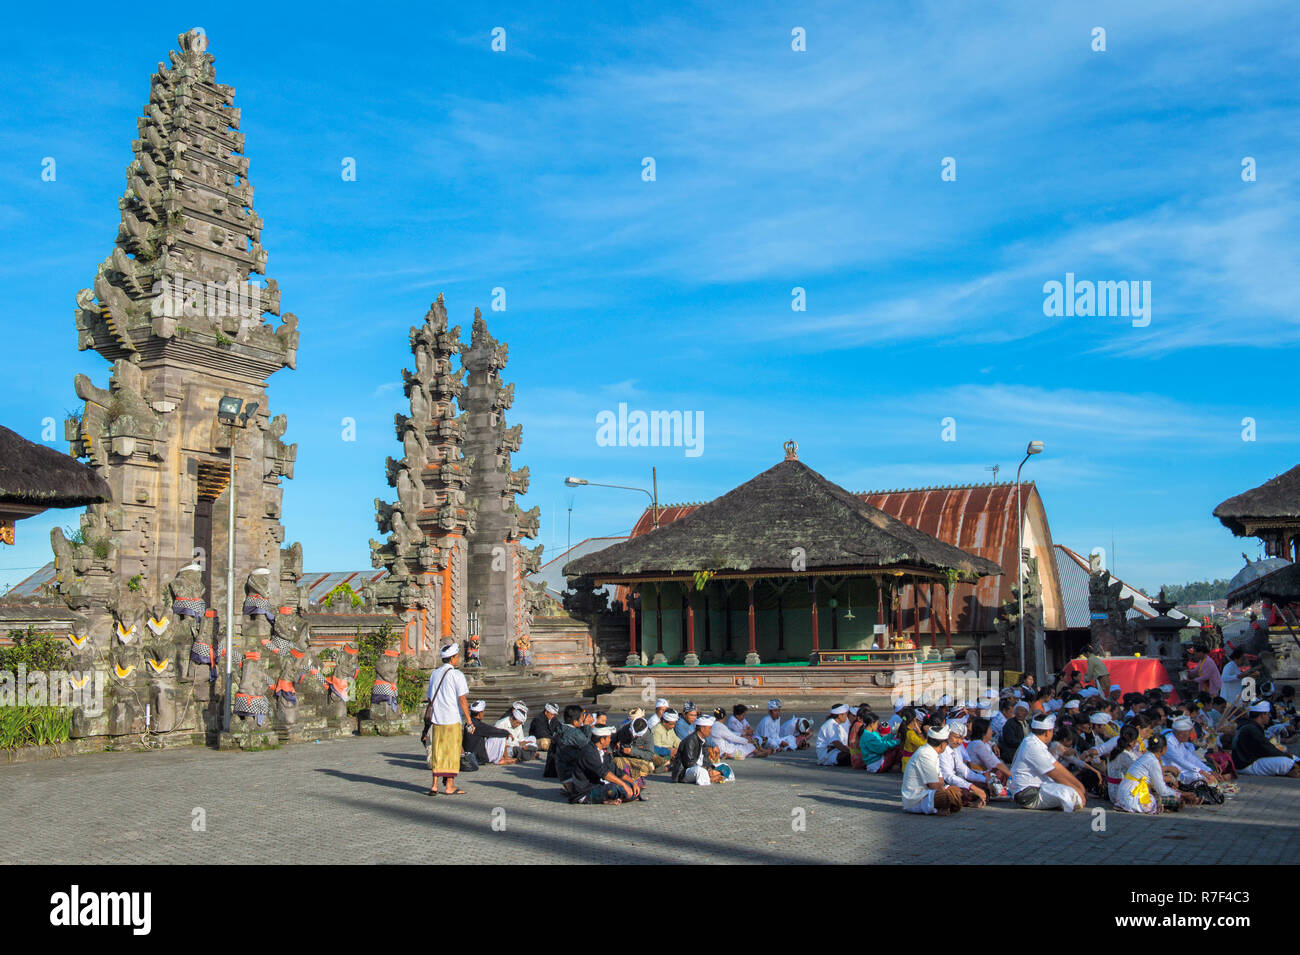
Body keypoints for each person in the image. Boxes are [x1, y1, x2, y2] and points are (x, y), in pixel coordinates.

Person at [1008, 713, 1087, 812]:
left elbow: (1057, 766)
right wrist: (1077, 790)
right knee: (1072, 795)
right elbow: (1055, 775)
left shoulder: (1035, 741)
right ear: (1047, 732)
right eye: (1052, 731)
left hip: (1038, 787)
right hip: (1028, 794)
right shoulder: (1032, 745)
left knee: (1073, 791)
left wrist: (1078, 785)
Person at [425, 642, 472, 796]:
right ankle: (449, 785)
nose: (458, 659)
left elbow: (430, 697)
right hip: (452, 718)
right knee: (451, 753)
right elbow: (462, 700)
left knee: (438, 752)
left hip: (437, 719)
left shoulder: (434, 674)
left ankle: (434, 785)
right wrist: (469, 720)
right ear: (452, 658)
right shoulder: (456, 675)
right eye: (457, 656)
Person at [562, 725, 644, 805]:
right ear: (602, 740)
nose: (610, 739)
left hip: (599, 784)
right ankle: (622, 798)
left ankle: (619, 798)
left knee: (631, 786)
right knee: (616, 788)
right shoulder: (588, 752)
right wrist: (623, 785)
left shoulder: (602, 752)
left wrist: (633, 782)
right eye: (608, 737)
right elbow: (603, 773)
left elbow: (616, 770)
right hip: (586, 791)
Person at [901, 724, 966, 815]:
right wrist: (948, 794)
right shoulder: (925, 754)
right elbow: (934, 785)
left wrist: (951, 791)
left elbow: (941, 781)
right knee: (946, 796)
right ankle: (943, 807)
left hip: (927, 793)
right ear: (943, 744)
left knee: (958, 791)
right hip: (916, 800)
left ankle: (946, 805)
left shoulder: (932, 752)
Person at [1115, 733, 1187, 813]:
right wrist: (1182, 794)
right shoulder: (1153, 761)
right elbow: (1162, 790)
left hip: (1123, 794)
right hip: (1131, 796)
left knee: (1171, 796)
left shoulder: (1147, 756)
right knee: (1175, 800)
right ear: (1164, 749)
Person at [1233, 701, 1300, 776]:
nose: (1269, 717)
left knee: (1292, 758)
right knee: (1287, 761)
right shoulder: (1251, 728)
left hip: (1246, 762)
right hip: (1246, 765)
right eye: (1268, 714)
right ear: (1262, 715)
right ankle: (1292, 772)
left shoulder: (1249, 726)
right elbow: (1268, 749)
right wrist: (1286, 755)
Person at [937, 722, 989, 806]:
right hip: (944, 784)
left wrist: (986, 780)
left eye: (962, 739)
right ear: (948, 734)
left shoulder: (956, 748)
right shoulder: (943, 750)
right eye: (956, 737)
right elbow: (949, 777)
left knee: (983, 785)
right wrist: (971, 787)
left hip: (956, 780)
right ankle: (971, 801)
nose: (959, 742)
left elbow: (964, 771)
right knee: (962, 793)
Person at [672, 714, 728, 785]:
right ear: (702, 729)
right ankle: (710, 779)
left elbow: (706, 760)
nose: (711, 731)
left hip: (702, 768)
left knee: (725, 766)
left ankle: (711, 776)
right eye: (709, 728)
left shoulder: (704, 740)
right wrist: (706, 769)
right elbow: (689, 763)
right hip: (684, 772)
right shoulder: (690, 740)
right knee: (700, 771)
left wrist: (710, 768)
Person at [545, 704, 594, 780]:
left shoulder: (561, 728)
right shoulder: (574, 733)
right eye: (581, 719)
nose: (582, 721)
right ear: (574, 721)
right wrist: (587, 726)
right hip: (570, 771)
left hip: (559, 769)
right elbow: (589, 746)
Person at [464, 700, 516, 765]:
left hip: (470, 754)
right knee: (502, 736)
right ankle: (500, 760)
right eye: (483, 712)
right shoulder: (479, 725)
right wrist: (507, 733)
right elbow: (493, 731)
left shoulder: (468, 723)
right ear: (480, 713)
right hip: (478, 757)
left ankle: (504, 757)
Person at [964, 717, 1011, 784]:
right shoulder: (977, 744)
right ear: (984, 733)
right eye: (989, 729)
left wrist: (1010, 774)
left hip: (983, 774)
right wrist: (1011, 776)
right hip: (975, 776)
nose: (991, 732)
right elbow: (994, 764)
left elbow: (997, 762)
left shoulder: (985, 744)